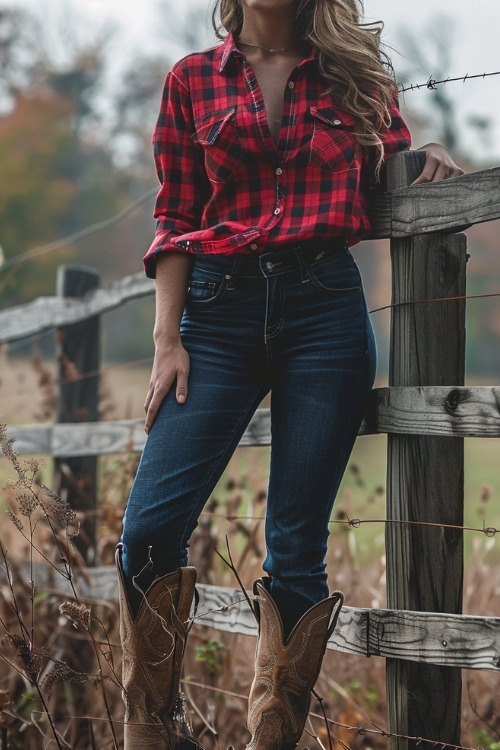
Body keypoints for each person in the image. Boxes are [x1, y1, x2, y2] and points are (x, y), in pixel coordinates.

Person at [116, 0, 464, 747]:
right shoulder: (190, 81)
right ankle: (152, 731)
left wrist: (424, 158)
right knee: (148, 531)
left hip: (324, 314)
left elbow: (391, 169)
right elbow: (175, 215)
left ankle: (270, 740)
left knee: (296, 546)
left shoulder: (357, 77)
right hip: (215, 313)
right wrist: (166, 338)